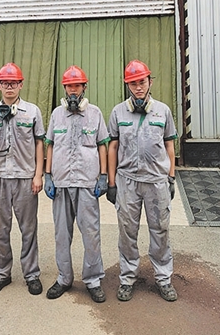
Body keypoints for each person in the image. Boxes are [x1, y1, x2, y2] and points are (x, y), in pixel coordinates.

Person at [107, 60, 178, 302]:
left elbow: (169, 145)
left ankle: (163, 278)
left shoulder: (163, 111)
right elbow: (113, 146)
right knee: (127, 231)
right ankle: (127, 278)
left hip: (156, 181)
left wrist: (171, 177)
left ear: (150, 82)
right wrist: (111, 182)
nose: (138, 87)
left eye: (142, 82)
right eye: (133, 83)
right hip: (127, 181)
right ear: (127, 85)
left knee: (160, 230)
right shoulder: (118, 112)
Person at [0, 63, 45, 296]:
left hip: (25, 178)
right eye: (5, 83)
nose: (9, 87)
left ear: (20, 84)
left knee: (29, 229)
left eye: (13, 83)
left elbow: (39, 143)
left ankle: (31, 274)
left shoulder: (32, 111)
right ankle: (1, 274)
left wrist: (38, 175)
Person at [44, 65, 110, 303]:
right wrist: (48, 175)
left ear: (84, 87)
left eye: (77, 86)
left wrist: (103, 175)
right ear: (65, 88)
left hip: (87, 183)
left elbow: (102, 145)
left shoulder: (95, 113)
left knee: (91, 234)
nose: (73, 90)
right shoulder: (56, 114)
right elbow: (50, 144)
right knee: (62, 235)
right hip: (61, 183)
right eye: (69, 86)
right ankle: (64, 278)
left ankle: (93, 280)